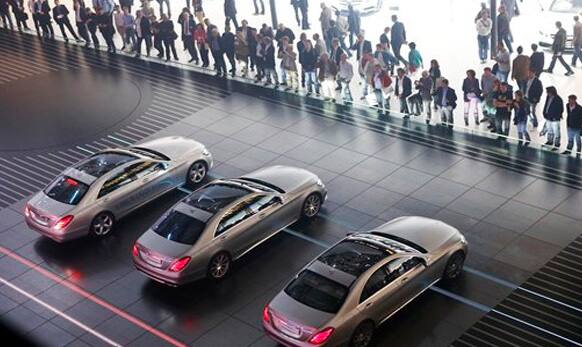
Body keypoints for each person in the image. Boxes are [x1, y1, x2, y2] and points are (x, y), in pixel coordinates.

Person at [542, 86, 563, 150]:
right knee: (550, 130)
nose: (547, 93)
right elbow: (546, 105)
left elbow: (560, 109)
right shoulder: (548, 97)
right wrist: (544, 113)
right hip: (548, 117)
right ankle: (550, 141)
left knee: (556, 132)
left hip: (555, 119)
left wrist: (556, 117)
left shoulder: (558, 99)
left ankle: (557, 144)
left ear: (551, 92)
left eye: (548, 92)